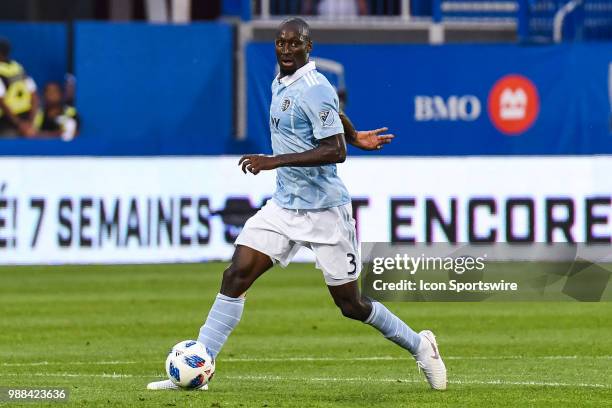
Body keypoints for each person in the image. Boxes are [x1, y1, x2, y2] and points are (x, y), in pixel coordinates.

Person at [147, 17, 446, 392]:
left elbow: (334, 151)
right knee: (235, 275)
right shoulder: (282, 80)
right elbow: (331, 121)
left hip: (324, 211)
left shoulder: (316, 86)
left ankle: (421, 345)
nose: (286, 50)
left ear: (309, 46)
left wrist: (276, 160)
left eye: (294, 44)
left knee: (351, 304)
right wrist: (355, 134)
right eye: (280, 43)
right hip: (285, 206)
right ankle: (198, 367)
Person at [0, 37, 39, 138]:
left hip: (8, 121)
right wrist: (30, 122)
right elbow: (34, 96)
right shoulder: (18, 67)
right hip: (26, 117)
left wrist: (20, 124)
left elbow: (2, 102)